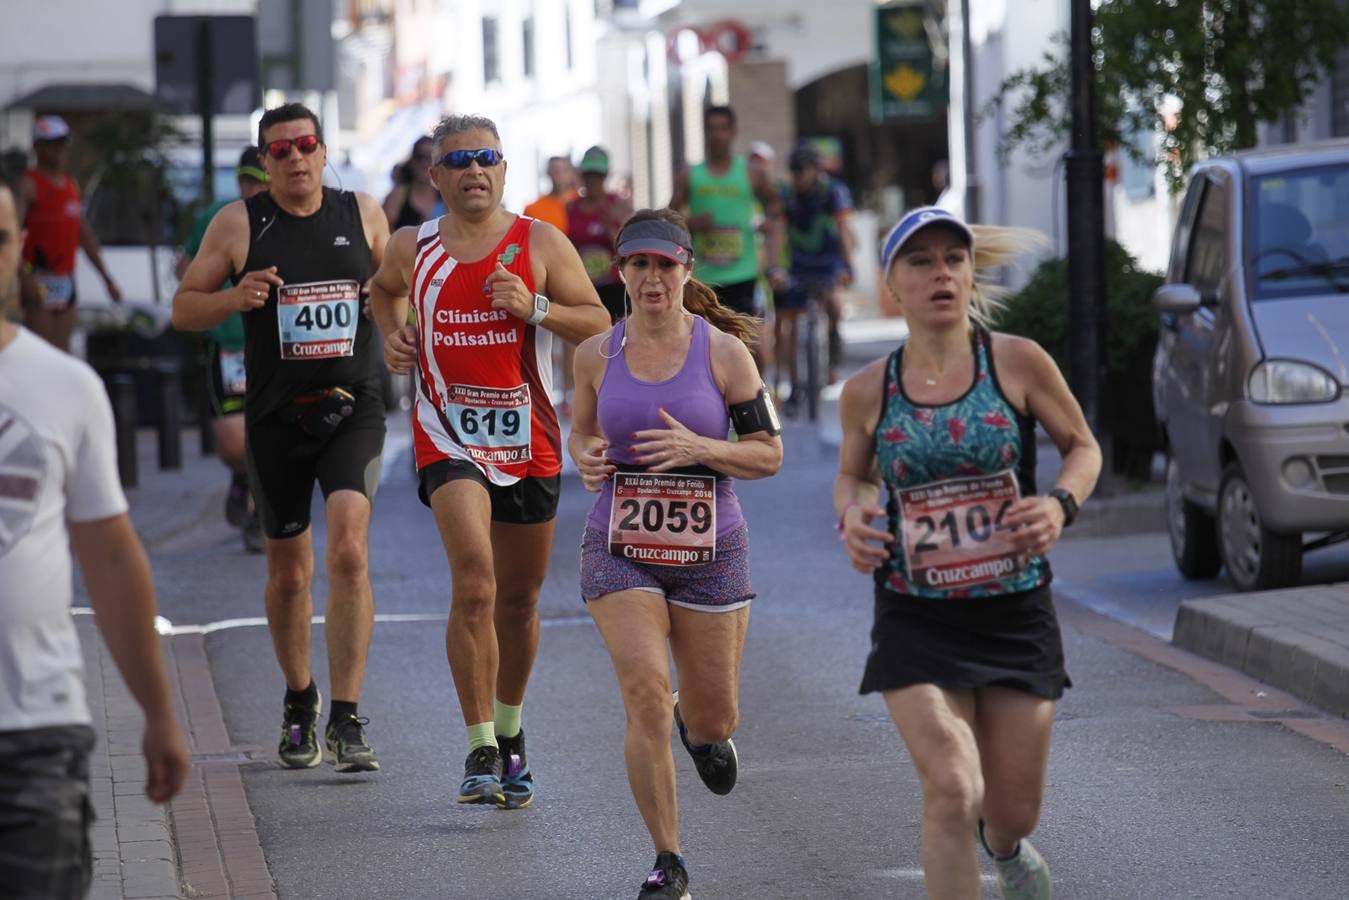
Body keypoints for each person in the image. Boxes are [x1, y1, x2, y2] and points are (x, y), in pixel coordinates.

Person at [833, 206, 1102, 900]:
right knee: (951, 785)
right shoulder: (868, 390)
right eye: (920, 262)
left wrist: (1057, 504)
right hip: (914, 616)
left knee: (1011, 810)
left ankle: (1005, 848)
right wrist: (854, 520)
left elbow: (1082, 447)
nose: (940, 273)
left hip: (1013, 613)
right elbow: (854, 477)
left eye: (953, 258)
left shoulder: (1015, 361)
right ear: (891, 285)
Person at [369, 114, 610, 809]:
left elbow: (596, 321)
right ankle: (478, 746)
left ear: (504, 170)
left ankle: (510, 734)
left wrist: (534, 305)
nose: (474, 170)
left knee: (520, 597)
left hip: (527, 439)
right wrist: (393, 337)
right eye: (459, 160)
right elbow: (379, 291)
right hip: (446, 436)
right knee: (474, 580)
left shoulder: (538, 242)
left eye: (487, 158)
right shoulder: (414, 248)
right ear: (435, 176)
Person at [570, 209, 784, 898]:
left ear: (688, 268)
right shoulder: (593, 355)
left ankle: (702, 735)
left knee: (710, 713)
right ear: (621, 272)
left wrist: (701, 449)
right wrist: (586, 457)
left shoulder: (722, 352)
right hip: (619, 543)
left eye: (665, 264)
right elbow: (577, 433)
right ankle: (668, 860)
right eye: (639, 264)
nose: (652, 277)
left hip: (711, 545)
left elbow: (768, 453)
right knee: (642, 693)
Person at [172, 103, 391, 774]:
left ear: (323, 152)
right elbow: (183, 308)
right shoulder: (239, 223)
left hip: (354, 405)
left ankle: (347, 716)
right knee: (290, 573)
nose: (295, 157)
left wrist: (393, 319)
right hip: (275, 415)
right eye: (279, 149)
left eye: (305, 145)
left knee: (349, 551)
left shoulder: (363, 213)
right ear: (265, 162)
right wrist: (234, 298)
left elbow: (396, 290)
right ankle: (300, 699)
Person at [0, 180, 189, 898]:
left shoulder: (66, 387)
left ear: (18, 248)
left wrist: (159, 713)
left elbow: (111, 561)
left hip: (34, 734)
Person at [177, 146, 271, 552]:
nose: (255, 188)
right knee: (233, 442)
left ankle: (261, 515)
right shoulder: (220, 218)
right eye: (249, 179)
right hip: (230, 345)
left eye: (261, 180)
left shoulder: (292, 219)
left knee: (270, 434)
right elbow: (185, 271)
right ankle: (242, 477)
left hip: (275, 348)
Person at [669, 105, 786, 370]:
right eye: (712, 129)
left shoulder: (751, 172)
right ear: (705, 133)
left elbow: (776, 207)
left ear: (733, 133)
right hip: (705, 279)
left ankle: (757, 399)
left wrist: (769, 227)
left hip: (743, 274)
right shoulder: (690, 176)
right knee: (704, 349)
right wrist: (691, 222)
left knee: (751, 346)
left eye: (723, 129)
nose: (717, 135)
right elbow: (669, 219)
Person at [19, 115, 122, 352]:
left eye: (62, 143)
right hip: (39, 278)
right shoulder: (29, 185)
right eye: (52, 143)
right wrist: (24, 277)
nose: (59, 149)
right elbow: (11, 235)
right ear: (37, 146)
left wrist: (107, 279)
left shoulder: (70, 186)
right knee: (41, 352)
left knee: (62, 351)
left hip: (66, 280)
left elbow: (84, 235)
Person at [775, 143, 856, 409]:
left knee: (834, 306)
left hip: (829, 264)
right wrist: (775, 266)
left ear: (815, 170)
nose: (797, 176)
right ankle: (795, 387)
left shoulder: (834, 192)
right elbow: (777, 232)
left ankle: (831, 358)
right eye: (793, 171)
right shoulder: (787, 195)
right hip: (798, 265)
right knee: (789, 324)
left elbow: (844, 229)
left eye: (802, 171)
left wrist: (848, 266)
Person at [382, 136, 439, 231]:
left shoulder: (446, 197)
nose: (425, 163)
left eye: (431, 157)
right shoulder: (398, 195)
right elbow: (383, 233)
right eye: (420, 157)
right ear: (412, 161)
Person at [523, 155, 578, 234]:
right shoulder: (533, 209)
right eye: (555, 171)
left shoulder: (582, 205)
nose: (560, 175)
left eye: (564, 170)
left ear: (572, 173)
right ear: (548, 173)